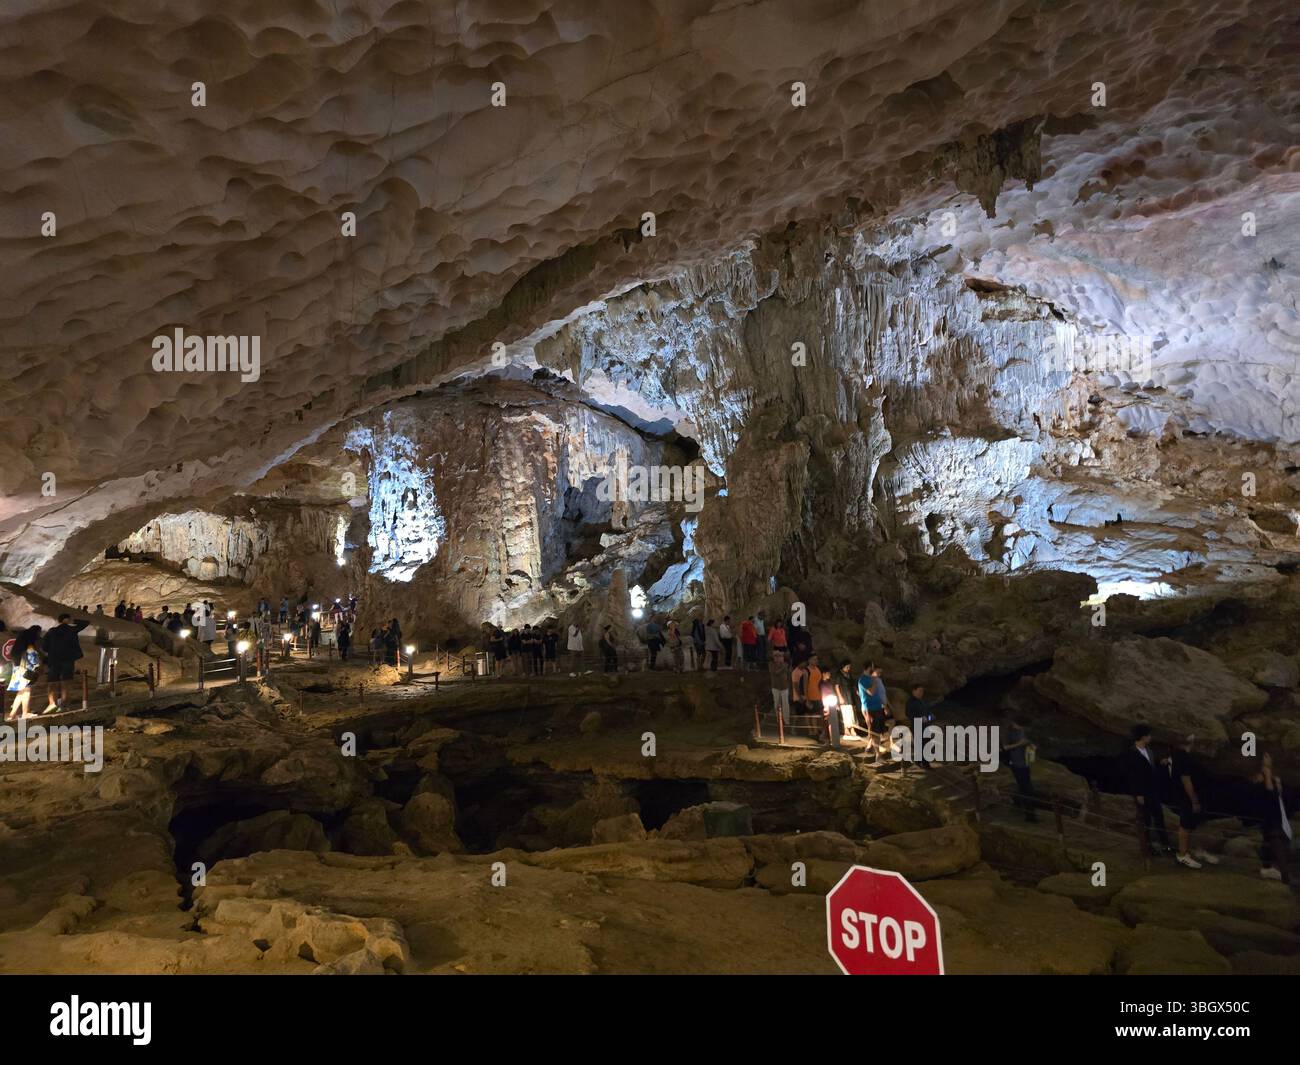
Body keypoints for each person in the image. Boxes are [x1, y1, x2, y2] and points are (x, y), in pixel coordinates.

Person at [1160, 737, 1220, 869]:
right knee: (1185, 825)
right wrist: (1194, 801)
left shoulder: (1176, 756)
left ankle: (1197, 849)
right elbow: (1186, 780)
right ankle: (1182, 855)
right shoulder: (1183, 757)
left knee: (1196, 823)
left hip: (1189, 795)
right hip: (1187, 797)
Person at [1124, 724, 1172, 855]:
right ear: (1143, 737)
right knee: (1145, 819)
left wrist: (1160, 762)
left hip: (1152, 789)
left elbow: (1151, 766)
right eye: (1149, 735)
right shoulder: (1131, 753)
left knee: (1159, 817)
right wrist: (1138, 793)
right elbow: (1132, 775)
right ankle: (1148, 848)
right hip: (1142, 791)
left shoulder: (1148, 750)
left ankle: (1166, 845)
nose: (1151, 737)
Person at [41, 614, 90, 712]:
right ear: (67, 620)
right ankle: (64, 704)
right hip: (68, 659)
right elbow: (86, 623)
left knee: (52, 682)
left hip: (54, 659)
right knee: (66, 682)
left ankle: (52, 704)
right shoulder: (72, 630)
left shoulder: (52, 631)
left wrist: (51, 651)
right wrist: (73, 621)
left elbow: (44, 646)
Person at [1256, 752, 1292, 883]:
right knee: (1277, 844)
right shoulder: (1264, 776)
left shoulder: (1271, 778)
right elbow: (1270, 792)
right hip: (1272, 818)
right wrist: (1268, 771)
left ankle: (1267, 868)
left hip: (1274, 817)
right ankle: (1285, 877)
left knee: (1271, 843)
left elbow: (1277, 795)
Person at [5, 626, 44, 720]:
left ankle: (12, 714)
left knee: (21, 692)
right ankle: (25, 713)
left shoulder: (17, 647)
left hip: (18, 670)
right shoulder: (30, 646)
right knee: (26, 691)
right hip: (27, 672)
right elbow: (34, 660)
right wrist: (40, 663)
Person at [1002, 714, 1037, 819]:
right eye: (1021, 725)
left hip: (1025, 762)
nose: (1022, 728)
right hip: (1016, 763)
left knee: (1025, 787)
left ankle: (1020, 806)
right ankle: (1029, 815)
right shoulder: (1008, 733)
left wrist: (1030, 745)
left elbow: (1028, 743)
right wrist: (1020, 744)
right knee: (1027, 789)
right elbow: (1005, 747)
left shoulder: (1022, 731)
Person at [906, 682, 934, 770]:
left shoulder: (921, 701)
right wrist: (920, 718)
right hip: (917, 726)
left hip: (926, 726)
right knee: (921, 745)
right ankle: (925, 764)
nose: (921, 693)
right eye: (920, 691)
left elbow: (928, 711)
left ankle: (919, 761)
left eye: (922, 691)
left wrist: (930, 717)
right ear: (913, 691)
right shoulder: (910, 702)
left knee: (926, 744)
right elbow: (908, 714)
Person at [769, 649, 791, 725]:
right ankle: (779, 719)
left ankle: (786, 720)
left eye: (780, 656)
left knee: (786, 704)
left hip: (784, 686)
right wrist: (783, 667)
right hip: (775, 687)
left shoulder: (785, 664)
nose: (778, 658)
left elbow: (788, 675)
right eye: (776, 656)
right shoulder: (771, 664)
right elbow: (775, 672)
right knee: (777, 703)